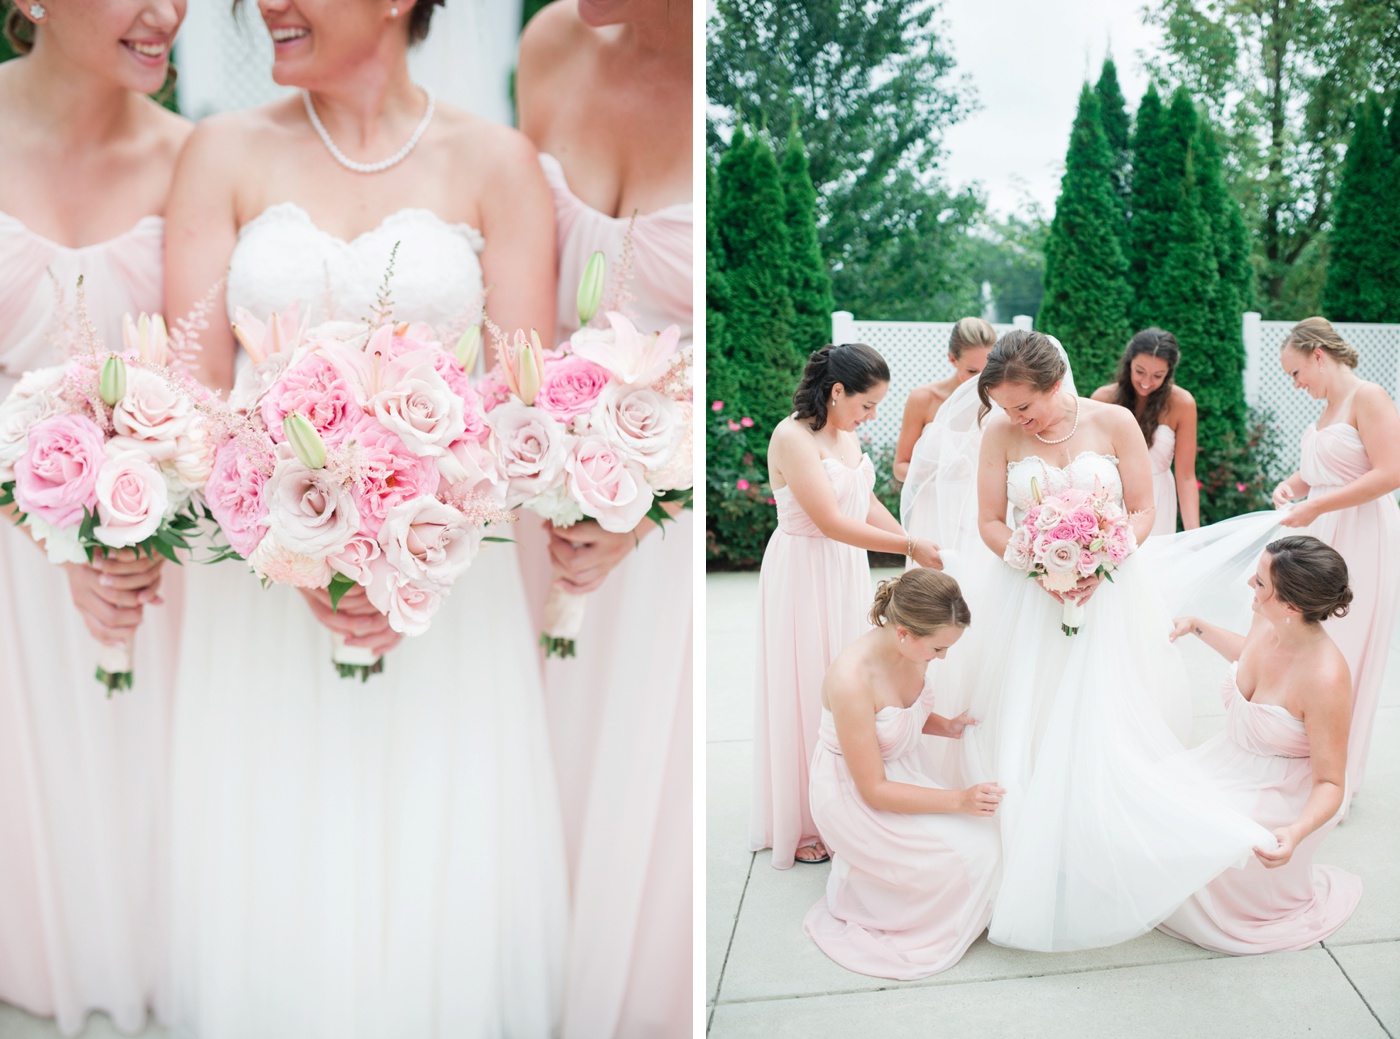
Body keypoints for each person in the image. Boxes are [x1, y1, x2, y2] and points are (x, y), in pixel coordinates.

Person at [162, 1, 566, 1035]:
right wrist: (298, 545)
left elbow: (522, 405)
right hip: (258, 575)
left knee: (428, 829)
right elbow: (191, 395)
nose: (266, 9)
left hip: (441, 579)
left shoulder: (499, 163)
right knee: (279, 833)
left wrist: (408, 559)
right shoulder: (221, 153)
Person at [940, 329, 1274, 952]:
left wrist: (1101, 559)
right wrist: (1036, 562)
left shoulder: (1115, 422)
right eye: (1006, 409)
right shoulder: (999, 433)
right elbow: (988, 519)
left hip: (1111, 591)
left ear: (1053, 384)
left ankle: (1100, 839)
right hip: (1027, 593)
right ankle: (1033, 845)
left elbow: (1144, 510)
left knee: (1105, 712)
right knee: (1030, 710)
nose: (1014, 417)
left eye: (1022, 405)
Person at [0, 1, 189, 1032]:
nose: (170, 15)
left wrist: (131, 508)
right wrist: (46, 522)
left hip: (154, 560)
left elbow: (216, 381)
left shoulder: (194, 159)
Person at [515, 1, 693, 1034]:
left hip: (653, 534)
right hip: (532, 491)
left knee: (625, 787)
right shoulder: (551, 40)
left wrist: (648, 494)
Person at [749, 343, 941, 870]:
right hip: (805, 570)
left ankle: (852, 796)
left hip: (844, 569)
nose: (871, 416)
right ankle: (808, 820)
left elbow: (864, 500)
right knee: (811, 682)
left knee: (852, 681)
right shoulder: (792, 437)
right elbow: (831, 521)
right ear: (836, 392)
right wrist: (906, 549)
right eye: (867, 405)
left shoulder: (845, 431)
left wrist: (911, 542)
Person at [1161, 536, 1361, 952]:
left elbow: (1331, 783)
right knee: (1147, 797)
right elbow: (1249, 657)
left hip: (1277, 791)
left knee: (1192, 829)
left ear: (1291, 606)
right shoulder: (1269, 620)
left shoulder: (1326, 679)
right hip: (1227, 759)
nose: (1250, 586)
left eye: (1259, 584)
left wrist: (1296, 831)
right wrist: (1197, 626)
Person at [804, 569, 1002, 980]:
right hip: (856, 796)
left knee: (995, 838)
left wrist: (945, 725)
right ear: (903, 634)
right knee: (975, 856)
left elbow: (896, 714)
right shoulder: (851, 680)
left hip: (902, 771)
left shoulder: (912, 649)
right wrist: (959, 801)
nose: (941, 658)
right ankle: (876, 897)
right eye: (938, 649)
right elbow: (873, 789)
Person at [1272, 317, 1400, 796]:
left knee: (1343, 651)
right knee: (1309, 647)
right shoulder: (1327, 408)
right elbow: (1327, 469)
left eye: (1296, 372)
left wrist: (1317, 504)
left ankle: (1334, 780)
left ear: (1318, 357)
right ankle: (1307, 766)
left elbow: (1391, 472)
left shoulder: (1369, 397)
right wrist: (1294, 485)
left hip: (1363, 535)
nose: (1296, 383)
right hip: (1324, 531)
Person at [1091, 327, 1199, 533]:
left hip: (1159, 500)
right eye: (1140, 371)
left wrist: (1194, 536)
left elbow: (1185, 477)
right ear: (1129, 363)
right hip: (1111, 500)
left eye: (1158, 375)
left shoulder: (1182, 403)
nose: (1146, 382)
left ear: (1168, 373)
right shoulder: (1102, 400)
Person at [892, 317, 995, 483]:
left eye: (988, 369)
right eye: (972, 371)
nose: (981, 379)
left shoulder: (1000, 401)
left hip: (979, 506)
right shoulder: (923, 399)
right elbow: (900, 467)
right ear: (952, 359)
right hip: (932, 504)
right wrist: (938, 474)